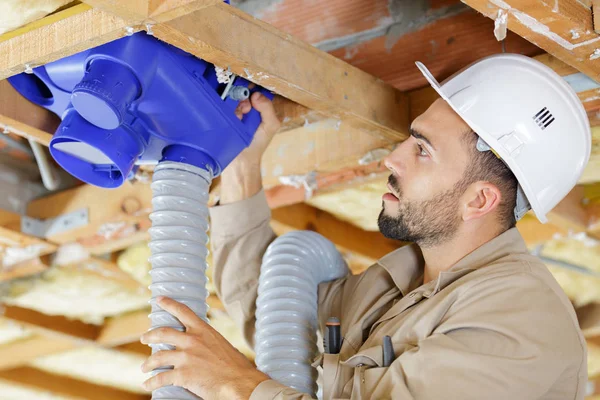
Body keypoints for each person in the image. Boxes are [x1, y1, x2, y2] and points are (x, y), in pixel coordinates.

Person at [140, 54, 591, 399]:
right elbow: (274, 309)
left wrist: (236, 382)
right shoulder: (394, 287)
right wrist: (243, 163)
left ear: (480, 200)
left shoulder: (523, 323)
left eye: (423, 150)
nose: (392, 158)